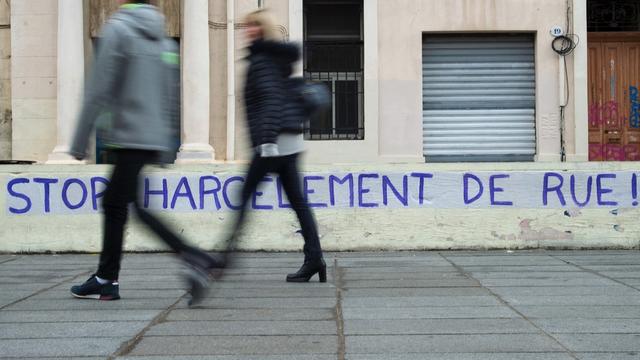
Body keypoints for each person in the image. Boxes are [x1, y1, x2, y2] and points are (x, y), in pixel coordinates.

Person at [68, 0, 221, 303]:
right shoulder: (165, 41)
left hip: (127, 135)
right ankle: (106, 278)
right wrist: (166, 144)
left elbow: (99, 89)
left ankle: (193, 257)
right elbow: (171, 96)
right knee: (120, 204)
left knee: (120, 205)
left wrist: (79, 141)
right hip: (149, 138)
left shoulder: (118, 31)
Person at [226, 9, 326, 283]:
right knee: (298, 202)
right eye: (246, 26)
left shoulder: (262, 60)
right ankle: (315, 258)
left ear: (262, 30)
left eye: (252, 26)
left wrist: (267, 142)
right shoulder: (276, 59)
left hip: (273, 143)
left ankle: (223, 259)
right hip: (288, 141)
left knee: (244, 197)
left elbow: (270, 100)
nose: (247, 30)